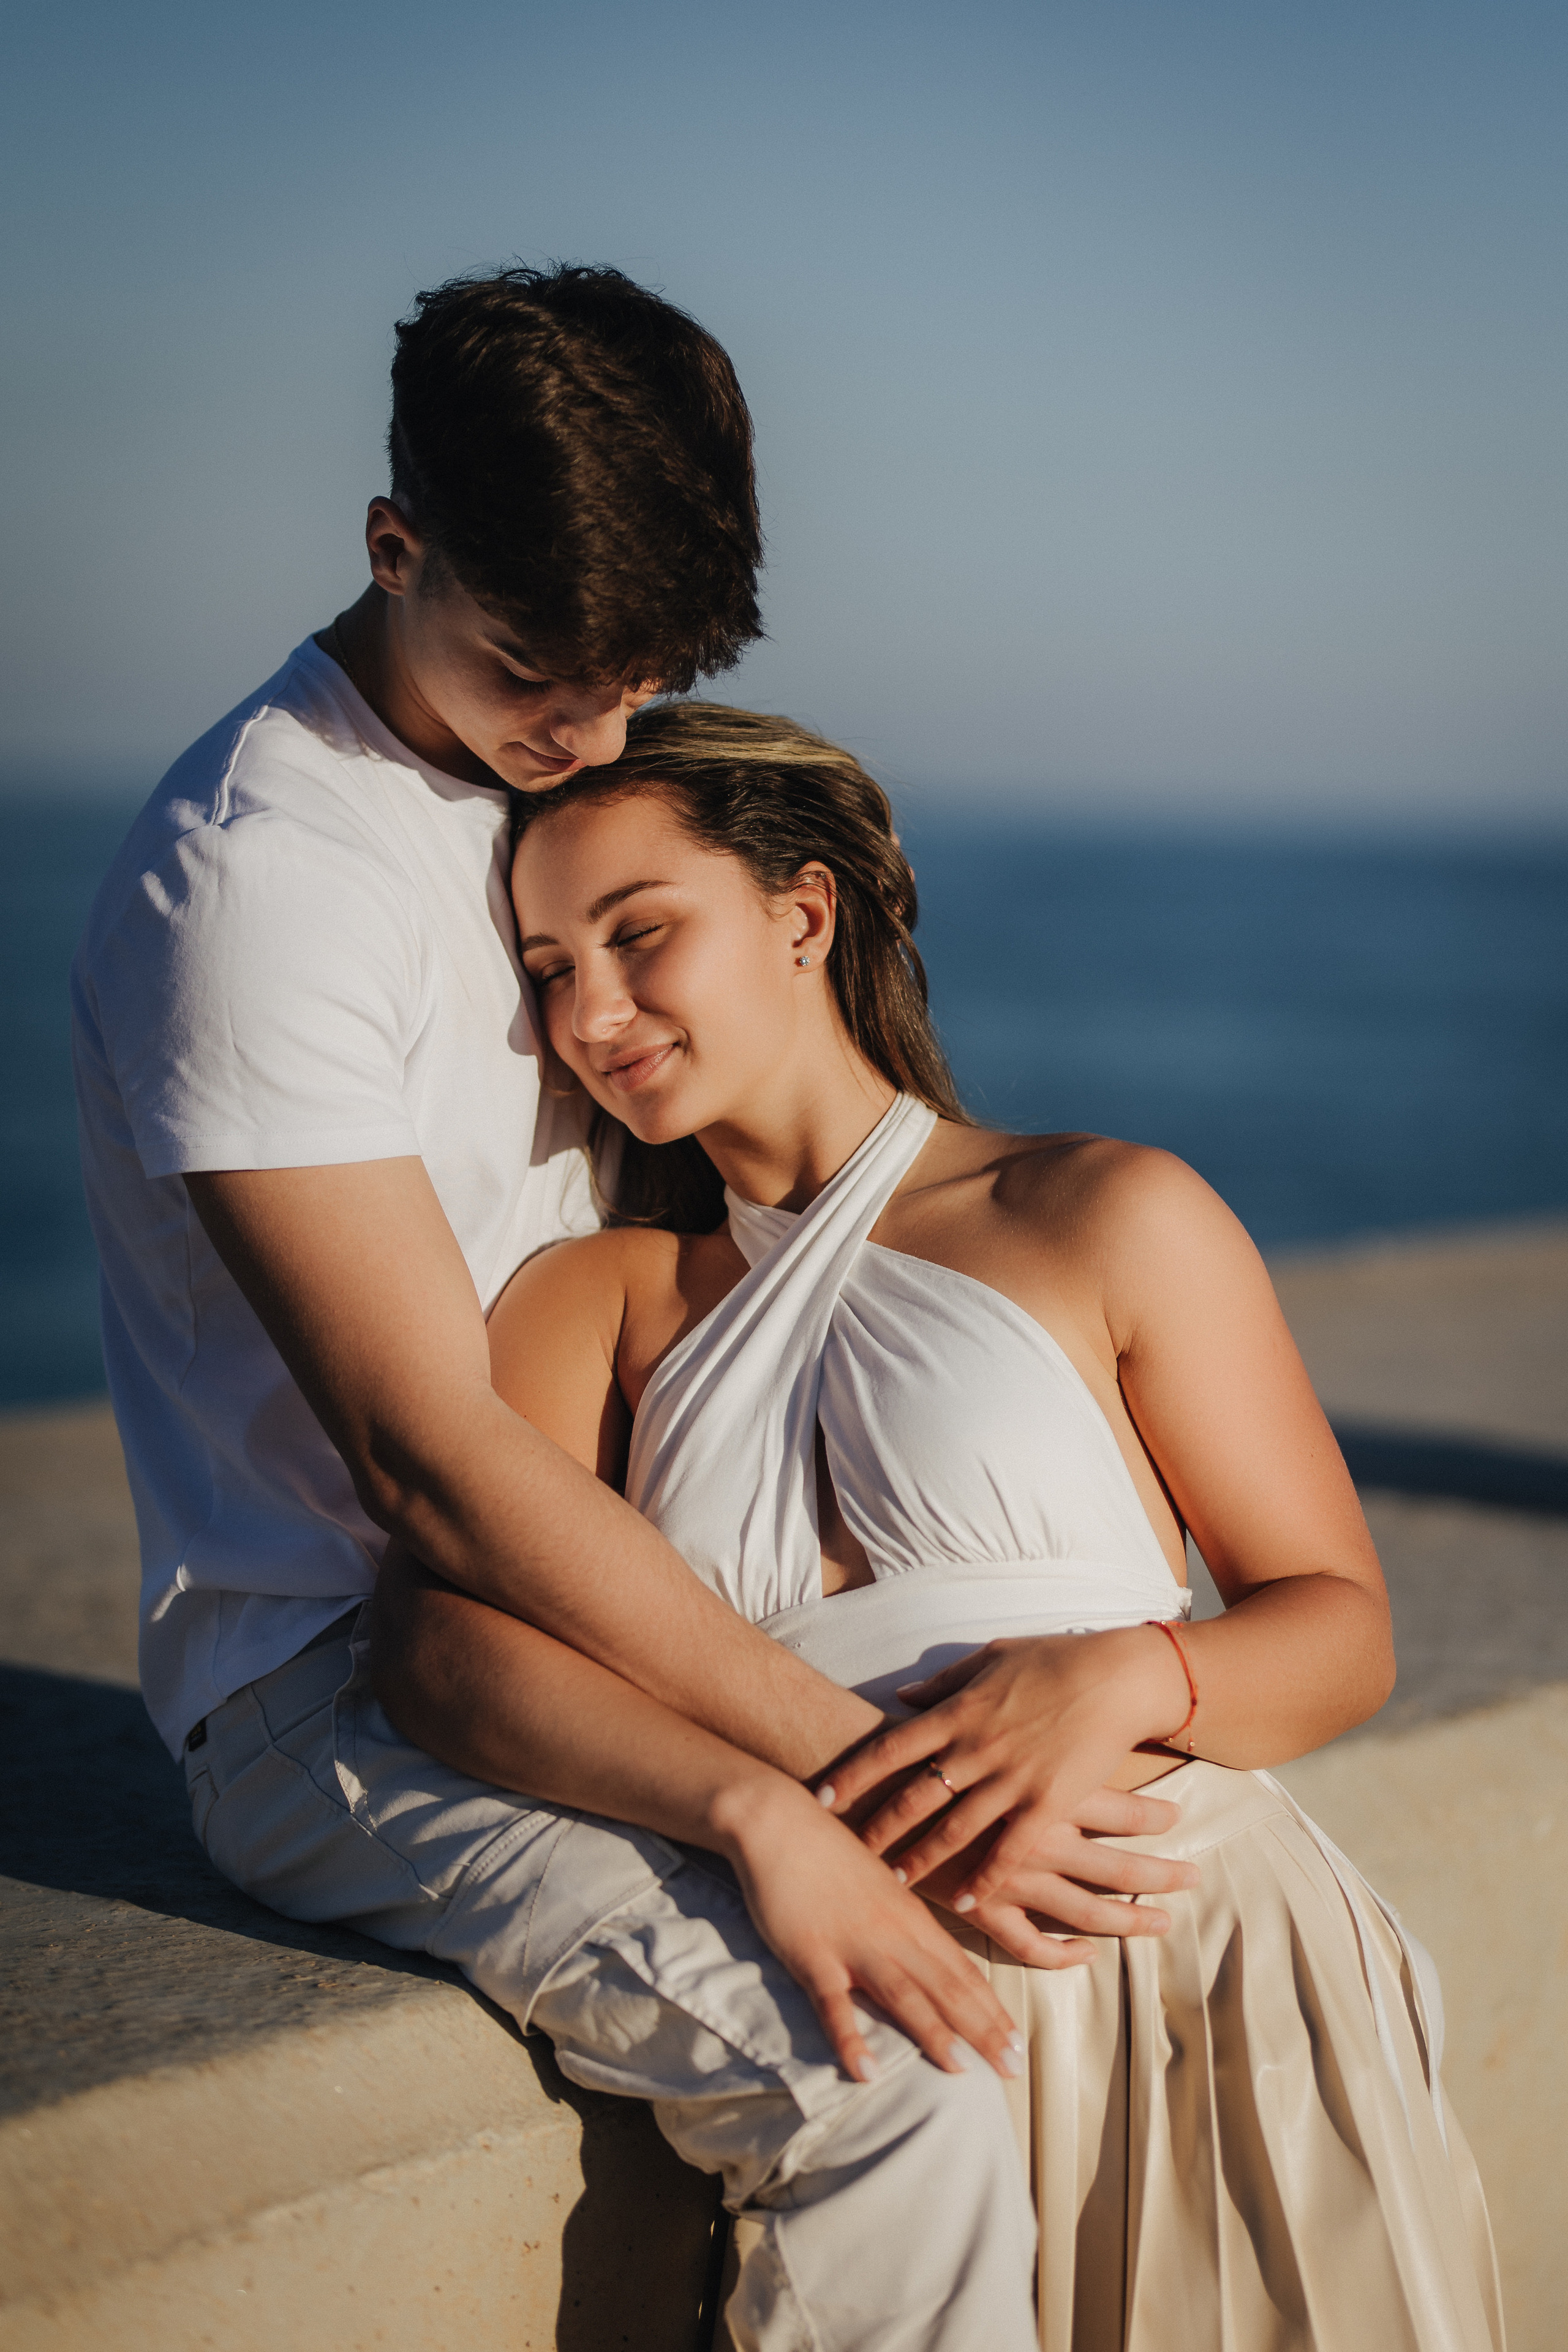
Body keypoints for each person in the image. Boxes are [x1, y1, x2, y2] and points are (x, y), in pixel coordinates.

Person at [72, 264, 1191, 2352]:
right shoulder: (261, 880)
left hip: (633, 1630)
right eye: (536, 673)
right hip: (347, 1681)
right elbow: (431, 1462)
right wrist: (844, 1781)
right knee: (888, 2073)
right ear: (393, 548)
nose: (589, 737)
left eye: (642, 678)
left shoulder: (537, 793)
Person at [372, 699, 1506, 2352]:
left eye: (638, 935)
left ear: (803, 915)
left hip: (1201, 1957)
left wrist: (1121, 1675)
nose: (591, 1013)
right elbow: (438, 1653)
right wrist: (760, 1807)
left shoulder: (1102, 1209)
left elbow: (1340, 1627)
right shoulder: (599, 1300)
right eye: (548, 968)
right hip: (878, 1997)